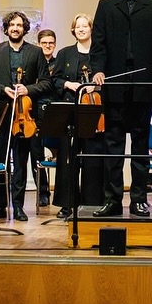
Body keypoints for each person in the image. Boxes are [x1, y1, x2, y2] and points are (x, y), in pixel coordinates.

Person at [90, 0, 152, 218]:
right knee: (112, 146)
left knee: (140, 146)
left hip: (143, 86)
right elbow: (98, 45)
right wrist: (98, 71)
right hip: (113, 86)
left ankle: (139, 199)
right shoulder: (106, 5)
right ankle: (112, 200)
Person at [0, 11, 52, 222]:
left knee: (20, 162)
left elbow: (46, 82)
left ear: (25, 29)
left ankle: (19, 206)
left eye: (19, 25)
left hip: (24, 115)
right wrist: (3, 89)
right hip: (2, 112)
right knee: (0, 162)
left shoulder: (36, 52)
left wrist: (27, 89)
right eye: (11, 25)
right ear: (6, 28)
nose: (15, 28)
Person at [51, 13, 105, 217]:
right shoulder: (65, 53)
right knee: (69, 158)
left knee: (93, 158)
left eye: (85, 26)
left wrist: (96, 87)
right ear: (73, 30)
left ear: (92, 29)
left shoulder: (100, 53)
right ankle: (68, 203)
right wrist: (68, 84)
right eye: (78, 26)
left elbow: (107, 80)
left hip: (94, 111)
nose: (81, 29)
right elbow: (54, 80)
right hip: (70, 111)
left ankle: (92, 202)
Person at [32, 28, 57, 208]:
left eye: (51, 43)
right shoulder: (34, 62)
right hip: (34, 112)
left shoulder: (59, 62)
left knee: (58, 153)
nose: (47, 46)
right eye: (44, 43)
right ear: (39, 44)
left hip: (54, 111)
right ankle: (43, 192)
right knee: (36, 155)